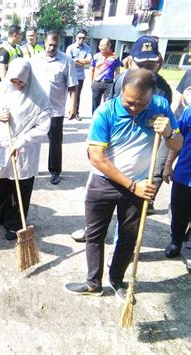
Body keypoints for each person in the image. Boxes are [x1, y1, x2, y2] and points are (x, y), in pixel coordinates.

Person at [64, 69, 183, 301]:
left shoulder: (159, 106)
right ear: (120, 92)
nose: (135, 108)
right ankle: (93, 283)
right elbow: (97, 157)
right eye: (129, 102)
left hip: (140, 184)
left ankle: (116, 279)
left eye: (141, 103)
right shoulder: (105, 112)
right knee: (95, 235)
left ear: (151, 95)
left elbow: (178, 143)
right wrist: (131, 185)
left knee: (129, 238)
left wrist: (169, 132)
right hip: (104, 182)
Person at [71, 35, 173, 244]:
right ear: (130, 61)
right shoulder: (121, 80)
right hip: (113, 159)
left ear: (159, 62)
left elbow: (168, 136)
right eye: (140, 63)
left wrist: (164, 163)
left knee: (130, 218)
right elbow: (109, 113)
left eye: (150, 64)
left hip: (144, 160)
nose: (145, 69)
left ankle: (123, 245)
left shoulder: (162, 92)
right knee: (99, 204)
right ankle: (92, 230)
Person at [0, 58, 52, 240]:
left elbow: (44, 126)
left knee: (19, 186)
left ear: (28, 78)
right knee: (2, 182)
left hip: (23, 149)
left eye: (21, 81)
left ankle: (14, 223)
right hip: (3, 144)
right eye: (14, 80)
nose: (17, 84)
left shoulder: (39, 97)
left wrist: (21, 141)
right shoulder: (5, 88)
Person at [31, 30, 77, 185]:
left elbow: (72, 86)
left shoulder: (66, 61)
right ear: (45, 43)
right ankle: (31, 168)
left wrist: (73, 105)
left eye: (55, 45)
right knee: (31, 140)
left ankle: (55, 171)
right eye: (50, 45)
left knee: (55, 143)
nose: (52, 48)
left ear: (59, 44)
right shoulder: (35, 60)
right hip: (36, 108)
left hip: (55, 110)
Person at [163, 104, 191, 258]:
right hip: (185, 173)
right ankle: (176, 241)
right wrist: (168, 165)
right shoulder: (189, 112)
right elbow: (178, 140)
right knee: (179, 210)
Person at [65, 29, 92, 120]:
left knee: (77, 95)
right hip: (69, 75)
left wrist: (76, 60)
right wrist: (82, 62)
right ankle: (67, 111)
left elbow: (89, 61)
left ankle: (76, 113)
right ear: (76, 37)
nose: (81, 40)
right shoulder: (70, 48)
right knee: (65, 94)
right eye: (79, 38)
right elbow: (69, 62)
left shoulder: (87, 48)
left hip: (80, 76)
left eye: (83, 38)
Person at [91, 37, 121, 113]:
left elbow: (118, 70)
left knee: (108, 104)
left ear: (109, 45)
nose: (100, 47)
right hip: (97, 82)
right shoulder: (96, 56)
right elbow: (92, 69)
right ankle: (94, 118)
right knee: (95, 103)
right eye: (100, 45)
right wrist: (92, 82)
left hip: (109, 84)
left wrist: (116, 82)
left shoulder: (115, 56)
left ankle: (105, 120)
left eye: (103, 45)